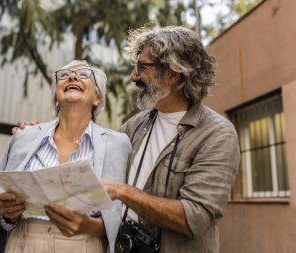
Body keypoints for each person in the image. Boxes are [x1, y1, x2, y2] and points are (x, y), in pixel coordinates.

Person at [15, 26, 240, 253]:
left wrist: (123, 191)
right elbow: (96, 152)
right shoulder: (135, 125)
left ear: (173, 74)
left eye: (143, 67)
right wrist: (39, 134)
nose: (134, 76)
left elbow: (195, 217)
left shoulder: (217, 135)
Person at [0, 60, 131, 253]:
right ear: (56, 98)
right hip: (23, 243)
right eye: (64, 75)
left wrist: (88, 225)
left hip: (84, 244)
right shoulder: (24, 136)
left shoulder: (118, 144)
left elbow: (121, 216)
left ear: (97, 98)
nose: (72, 77)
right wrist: (8, 215)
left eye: (83, 74)